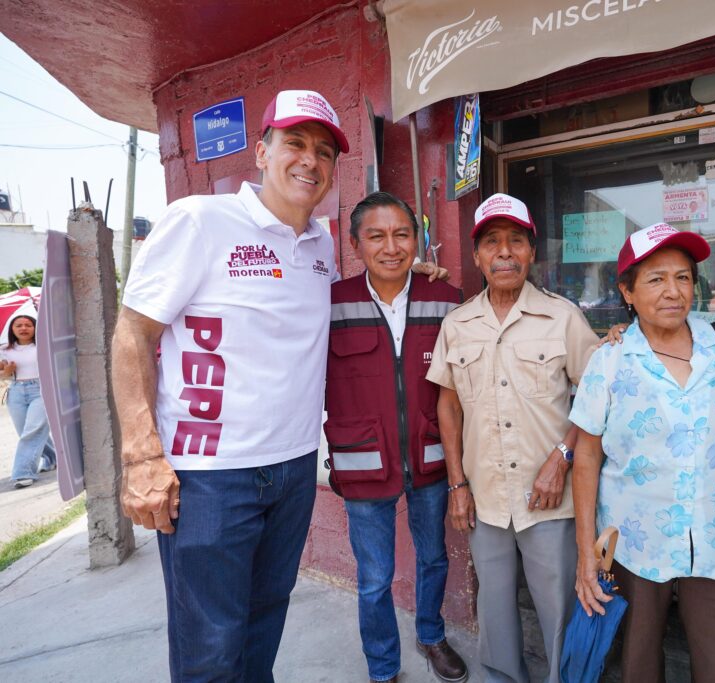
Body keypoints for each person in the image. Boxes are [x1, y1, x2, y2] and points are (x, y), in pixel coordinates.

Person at [111, 89, 348, 682]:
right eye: (295, 143)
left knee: (264, 626)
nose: (310, 160)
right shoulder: (200, 220)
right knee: (210, 651)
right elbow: (133, 333)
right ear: (262, 152)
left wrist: (414, 275)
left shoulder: (321, 245)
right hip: (209, 477)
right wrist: (141, 457)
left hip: (294, 468)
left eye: (324, 151)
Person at [572, 223, 715, 683]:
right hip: (636, 541)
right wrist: (585, 553)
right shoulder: (609, 359)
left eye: (683, 277)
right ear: (627, 292)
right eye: (656, 279)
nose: (673, 291)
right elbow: (587, 459)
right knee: (637, 664)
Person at [428, 193, 600, 683]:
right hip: (484, 497)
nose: (504, 252)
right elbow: (448, 406)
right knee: (495, 609)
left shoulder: (563, 317)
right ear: (477, 255)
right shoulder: (457, 324)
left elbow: (596, 398)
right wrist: (457, 485)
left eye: (516, 241)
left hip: (551, 498)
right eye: (492, 242)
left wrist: (562, 457)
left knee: (560, 607)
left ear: (531, 252)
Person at [325, 191, 467, 683]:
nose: (391, 247)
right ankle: (383, 666)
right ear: (355, 244)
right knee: (374, 579)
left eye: (402, 235)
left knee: (433, 558)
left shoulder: (446, 299)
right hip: (363, 463)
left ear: (417, 240)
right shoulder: (330, 303)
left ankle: (431, 636)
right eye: (377, 236)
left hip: (431, 458)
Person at [1, 314, 57, 487]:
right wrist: (6, 372)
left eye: (28, 325)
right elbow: (2, 374)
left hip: (41, 390)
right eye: (19, 325)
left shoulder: (44, 346)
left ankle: (23, 473)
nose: (23, 328)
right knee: (25, 431)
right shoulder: (4, 349)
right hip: (16, 392)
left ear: (35, 328)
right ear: (12, 329)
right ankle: (52, 457)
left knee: (33, 430)